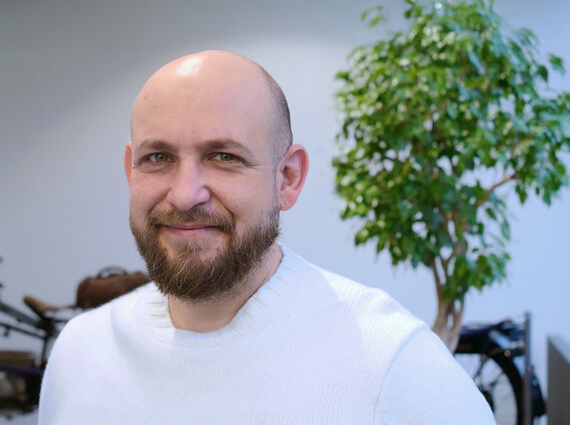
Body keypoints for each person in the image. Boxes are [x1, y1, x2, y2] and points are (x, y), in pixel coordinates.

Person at [38, 50, 495, 424]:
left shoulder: (398, 371)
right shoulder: (79, 353)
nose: (185, 194)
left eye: (224, 156)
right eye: (158, 157)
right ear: (130, 170)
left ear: (288, 178)